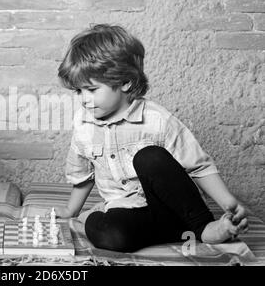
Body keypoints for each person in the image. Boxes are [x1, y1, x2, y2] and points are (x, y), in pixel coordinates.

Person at [54, 24, 249, 252]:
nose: (84, 99)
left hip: (171, 206)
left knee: (149, 157)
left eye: (92, 89)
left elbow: (199, 166)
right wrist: (71, 212)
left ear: (125, 82)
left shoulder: (157, 119)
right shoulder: (83, 123)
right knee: (111, 235)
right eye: (78, 91)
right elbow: (82, 176)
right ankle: (168, 231)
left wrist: (228, 203)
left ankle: (204, 227)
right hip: (128, 211)